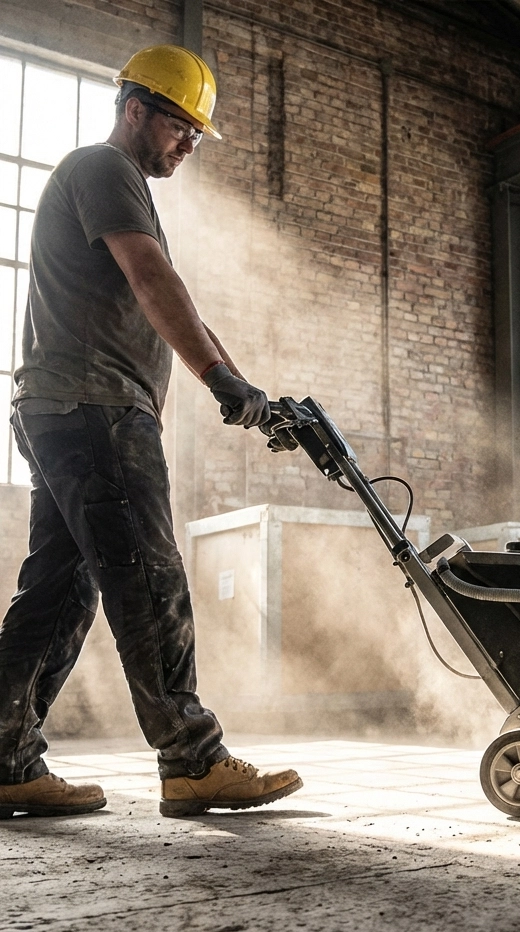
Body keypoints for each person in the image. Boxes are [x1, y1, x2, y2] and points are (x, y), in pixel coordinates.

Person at [0, 45, 302, 819]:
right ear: (136, 109)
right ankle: (193, 760)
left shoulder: (113, 181)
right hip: (94, 408)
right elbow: (152, 277)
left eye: (198, 132)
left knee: (57, 592)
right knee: (148, 575)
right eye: (181, 126)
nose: (190, 143)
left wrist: (246, 391)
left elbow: (170, 297)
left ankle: (4, 761)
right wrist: (218, 378)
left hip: (62, 409)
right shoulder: (105, 167)